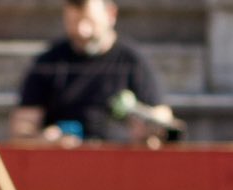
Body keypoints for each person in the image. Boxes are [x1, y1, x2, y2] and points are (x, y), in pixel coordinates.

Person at [11, 0, 175, 147]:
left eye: (89, 21)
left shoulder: (132, 61)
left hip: (120, 160)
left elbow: (163, 118)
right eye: (73, 22)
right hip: (63, 162)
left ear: (111, 14)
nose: (82, 31)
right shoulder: (49, 61)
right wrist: (45, 140)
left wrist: (148, 130)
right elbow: (22, 128)